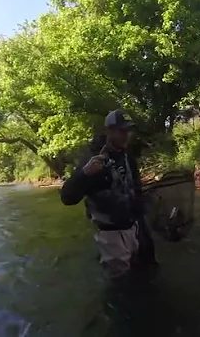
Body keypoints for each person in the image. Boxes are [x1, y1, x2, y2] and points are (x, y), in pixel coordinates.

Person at [60, 109, 158, 283]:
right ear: (109, 131)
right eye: (122, 131)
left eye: (128, 131)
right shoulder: (93, 159)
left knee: (145, 274)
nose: (126, 135)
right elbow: (67, 197)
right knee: (121, 286)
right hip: (111, 235)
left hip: (134, 227)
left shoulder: (127, 156)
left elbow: (136, 189)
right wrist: (84, 174)